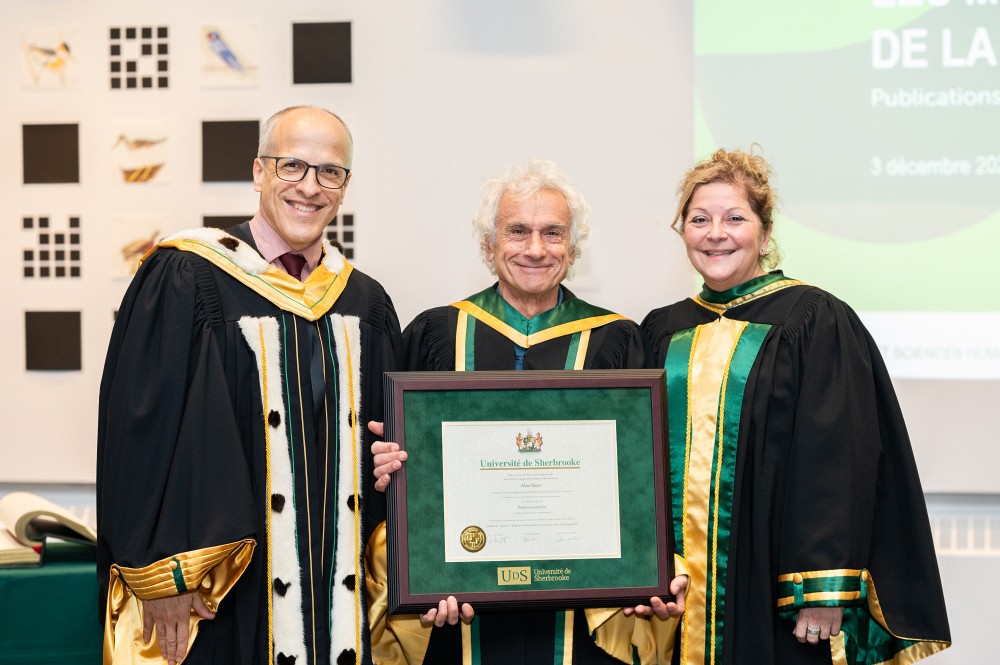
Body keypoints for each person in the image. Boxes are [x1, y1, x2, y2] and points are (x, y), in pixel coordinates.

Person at [97, 106, 403, 665]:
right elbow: (141, 431)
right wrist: (164, 575)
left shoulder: (366, 303)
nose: (309, 187)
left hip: (339, 601)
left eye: (328, 172)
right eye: (292, 166)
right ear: (259, 172)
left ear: (345, 186)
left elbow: (387, 447)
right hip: (219, 594)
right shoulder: (187, 276)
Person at [367, 159, 687, 665]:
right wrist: (387, 466)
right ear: (488, 245)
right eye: (517, 231)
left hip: (583, 616)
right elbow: (403, 478)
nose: (535, 249)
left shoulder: (615, 341)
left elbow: (641, 481)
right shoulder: (436, 334)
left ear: (574, 248)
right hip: (460, 609)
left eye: (553, 233)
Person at [639, 148, 951, 664]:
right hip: (678, 592)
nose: (716, 232)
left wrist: (823, 589)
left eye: (735, 218)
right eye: (700, 219)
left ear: (764, 232)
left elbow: (839, 457)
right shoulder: (661, 328)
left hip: (774, 583)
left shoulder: (814, 319)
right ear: (683, 233)